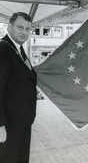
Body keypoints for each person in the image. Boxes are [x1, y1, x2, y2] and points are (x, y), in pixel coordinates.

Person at [0, 12, 37, 163]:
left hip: (21, 122)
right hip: (9, 125)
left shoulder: (18, 49)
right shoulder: (3, 49)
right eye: (20, 27)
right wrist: (0, 124)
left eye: (28, 29)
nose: (24, 32)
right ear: (9, 26)